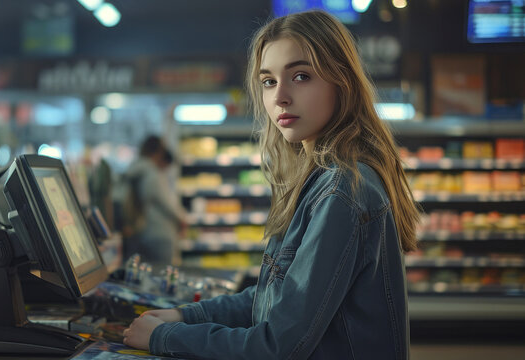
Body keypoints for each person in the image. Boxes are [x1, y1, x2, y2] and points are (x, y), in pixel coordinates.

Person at [122, 10, 420, 359]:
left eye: (301, 76)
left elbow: (278, 346)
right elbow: (276, 299)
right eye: (268, 81)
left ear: (343, 82)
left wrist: (166, 337)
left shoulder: (341, 191)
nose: (280, 96)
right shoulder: (320, 178)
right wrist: (183, 315)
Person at [123, 135, 188, 266]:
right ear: (158, 152)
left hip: (142, 231)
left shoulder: (135, 170)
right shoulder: (152, 174)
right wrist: (183, 218)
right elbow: (167, 203)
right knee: (161, 275)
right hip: (159, 232)